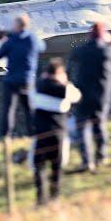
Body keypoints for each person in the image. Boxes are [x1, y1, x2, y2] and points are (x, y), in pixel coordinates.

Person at [69, 22, 111, 172]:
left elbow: (74, 54)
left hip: (83, 96)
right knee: (99, 126)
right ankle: (102, 156)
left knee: (82, 128)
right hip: (102, 95)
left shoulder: (83, 50)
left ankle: (86, 161)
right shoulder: (107, 50)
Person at [29, 58, 82, 206]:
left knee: (38, 166)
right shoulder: (65, 89)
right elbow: (77, 97)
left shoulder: (38, 85)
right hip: (58, 132)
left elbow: (32, 101)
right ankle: (55, 197)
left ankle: (40, 198)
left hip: (40, 133)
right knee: (56, 166)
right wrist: (66, 83)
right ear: (60, 73)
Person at [0, 13, 46, 138]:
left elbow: (0, 54)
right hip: (27, 81)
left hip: (11, 80)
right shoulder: (32, 38)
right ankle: (33, 135)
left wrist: (8, 38)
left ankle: (5, 136)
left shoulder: (11, 40)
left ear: (16, 26)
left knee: (9, 109)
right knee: (29, 110)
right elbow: (42, 47)